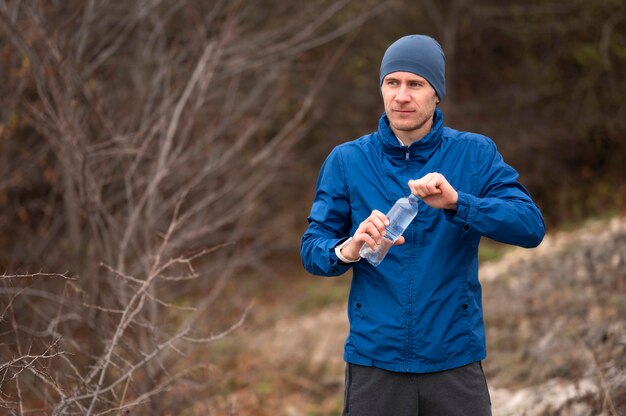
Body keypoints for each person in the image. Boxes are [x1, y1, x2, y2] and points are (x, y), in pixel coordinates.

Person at [300, 34, 545, 415]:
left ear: (436, 94)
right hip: (375, 365)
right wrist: (346, 249)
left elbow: (530, 227)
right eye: (392, 83)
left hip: (454, 361)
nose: (402, 95)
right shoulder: (347, 160)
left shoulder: (475, 153)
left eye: (416, 84)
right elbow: (312, 248)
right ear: (381, 89)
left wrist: (458, 203)